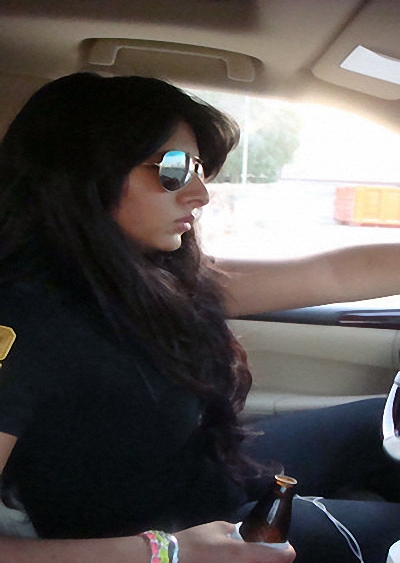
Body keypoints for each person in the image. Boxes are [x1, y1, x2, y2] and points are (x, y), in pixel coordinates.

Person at [0, 72, 399, 563]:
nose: (199, 193)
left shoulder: (143, 279)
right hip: (175, 539)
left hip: (212, 478)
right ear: (82, 173)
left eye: (197, 168)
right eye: (171, 168)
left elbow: (331, 274)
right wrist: (168, 552)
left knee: (385, 418)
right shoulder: (22, 321)